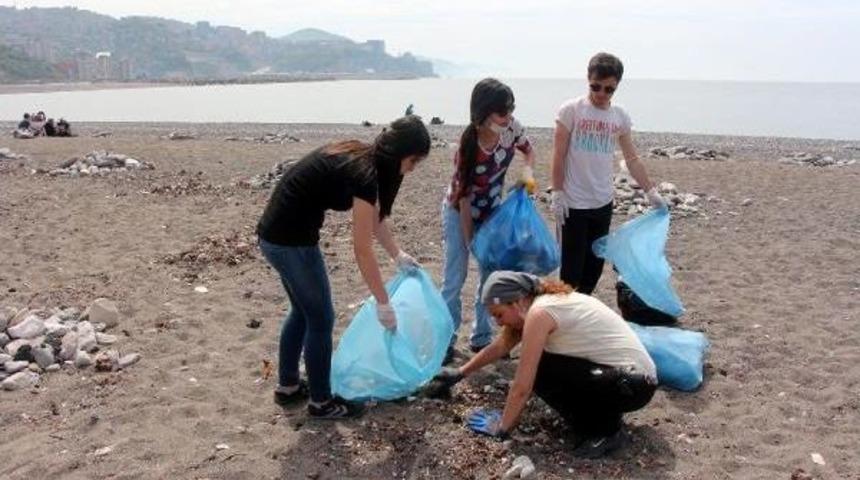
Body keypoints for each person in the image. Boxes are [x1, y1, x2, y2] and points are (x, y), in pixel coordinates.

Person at [257, 115, 431, 419]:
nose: (413, 168)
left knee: (302, 311)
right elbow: (362, 249)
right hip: (290, 242)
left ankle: (288, 386)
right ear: (399, 153)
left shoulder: (366, 159)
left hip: (276, 235)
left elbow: (376, 218)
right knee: (321, 318)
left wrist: (397, 254)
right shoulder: (366, 174)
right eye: (413, 161)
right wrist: (383, 302)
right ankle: (321, 402)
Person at [426, 271, 657, 458]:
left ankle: (606, 432)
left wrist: (503, 428)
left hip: (633, 384)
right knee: (546, 365)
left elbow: (522, 384)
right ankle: (601, 419)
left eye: (499, 314)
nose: (498, 323)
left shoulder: (540, 313)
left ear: (517, 302)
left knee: (539, 369)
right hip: (625, 379)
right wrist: (460, 372)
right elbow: (500, 346)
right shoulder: (539, 305)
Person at [550, 52, 665, 295]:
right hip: (573, 204)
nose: (601, 93)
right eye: (596, 86)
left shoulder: (619, 116)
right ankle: (564, 315)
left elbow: (632, 159)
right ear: (588, 79)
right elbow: (558, 155)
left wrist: (651, 192)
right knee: (570, 273)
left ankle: (580, 313)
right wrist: (557, 193)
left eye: (609, 89)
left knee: (593, 270)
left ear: (617, 86)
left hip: (602, 202)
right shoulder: (571, 110)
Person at [440, 78, 536, 363]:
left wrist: (527, 174)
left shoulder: (512, 129)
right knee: (455, 277)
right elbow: (463, 200)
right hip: (459, 212)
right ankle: (446, 340)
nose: (508, 117)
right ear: (482, 113)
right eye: (502, 112)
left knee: (490, 277)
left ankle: (481, 338)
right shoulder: (467, 147)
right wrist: (470, 239)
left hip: (492, 212)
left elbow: (529, 151)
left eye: (511, 109)